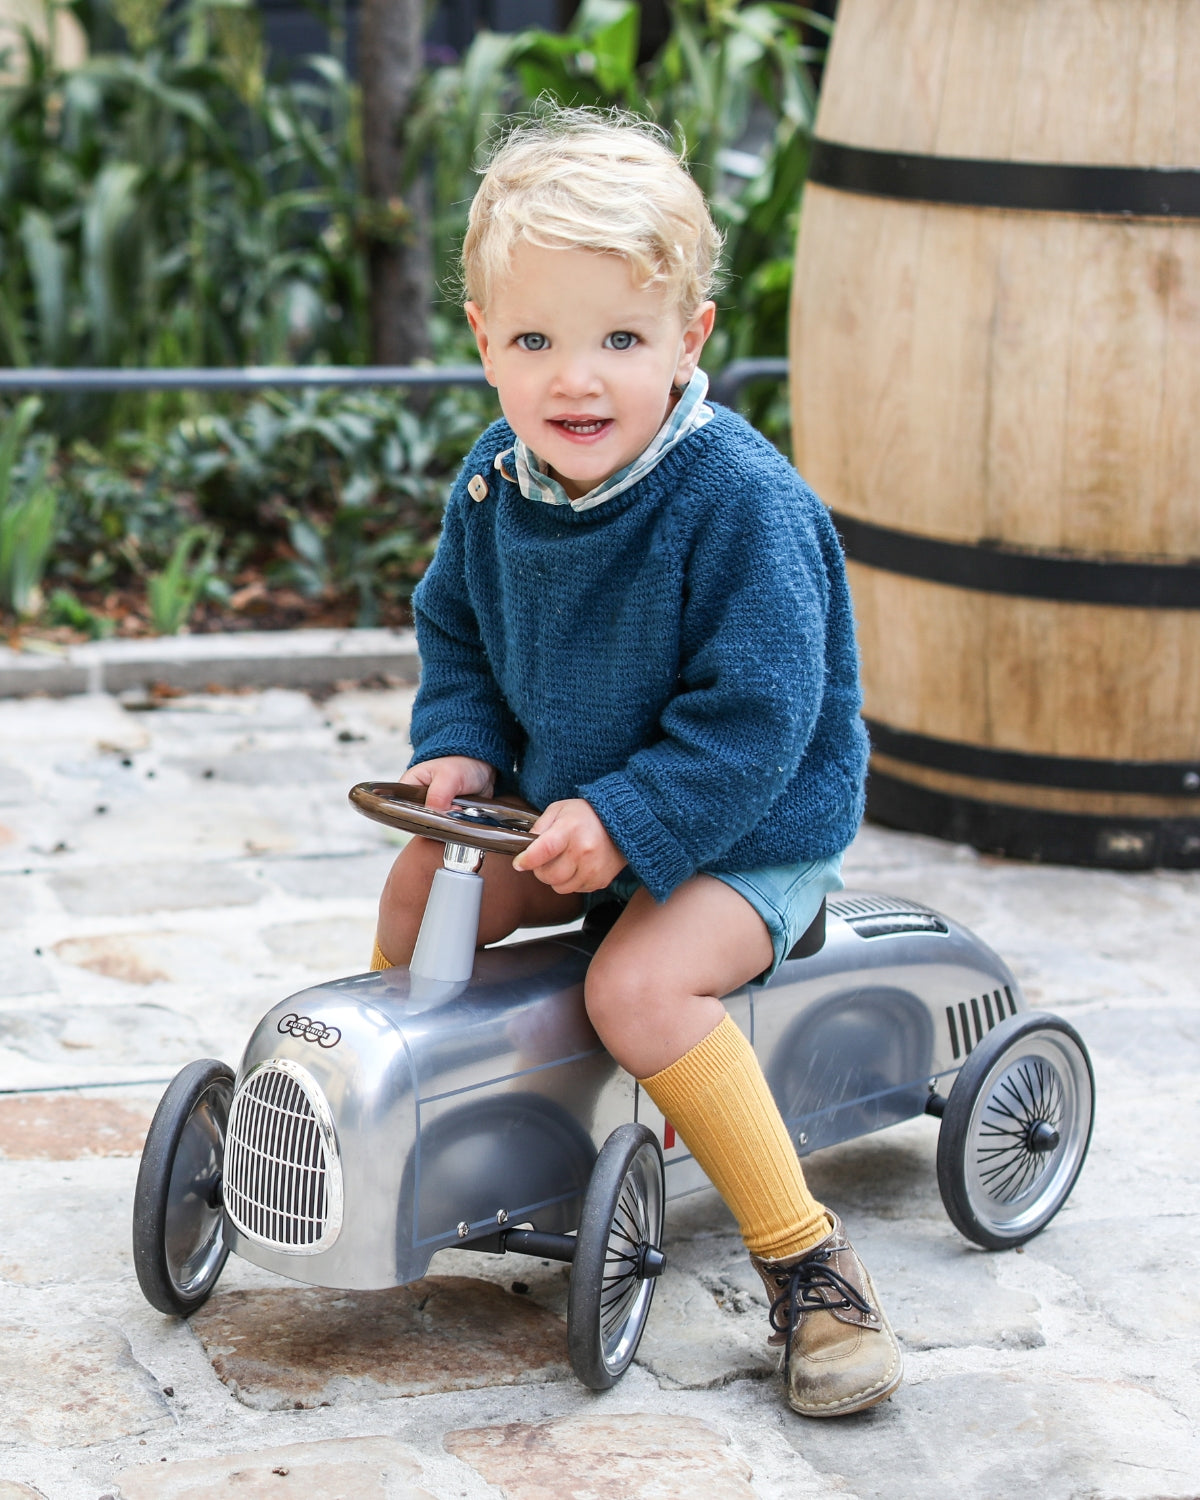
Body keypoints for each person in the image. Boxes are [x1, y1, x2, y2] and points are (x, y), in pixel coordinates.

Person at [372, 107, 902, 1418]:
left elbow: (756, 720)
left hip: (749, 827)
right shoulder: (496, 484)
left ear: (688, 339)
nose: (577, 381)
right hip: (583, 806)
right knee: (427, 882)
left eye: (620, 340)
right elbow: (457, 628)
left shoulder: (739, 503)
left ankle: (809, 1263)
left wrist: (625, 819)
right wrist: (459, 745)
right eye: (536, 342)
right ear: (484, 341)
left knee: (640, 987)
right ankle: (405, 1127)